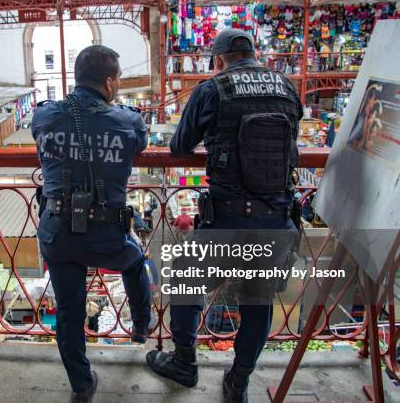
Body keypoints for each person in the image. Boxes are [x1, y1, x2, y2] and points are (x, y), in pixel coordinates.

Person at [147, 28, 302, 403]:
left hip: (227, 221)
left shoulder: (213, 89)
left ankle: (185, 362)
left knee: (185, 280)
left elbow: (180, 146)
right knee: (258, 301)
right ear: (255, 53)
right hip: (277, 218)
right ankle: (239, 381)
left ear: (217, 60)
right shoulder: (286, 87)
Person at [32, 45, 152, 403]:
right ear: (111, 82)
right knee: (136, 264)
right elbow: (140, 142)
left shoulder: (44, 116)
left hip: (57, 233)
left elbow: (37, 132)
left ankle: (82, 385)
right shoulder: (129, 122)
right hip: (107, 239)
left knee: (69, 310)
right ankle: (141, 329)